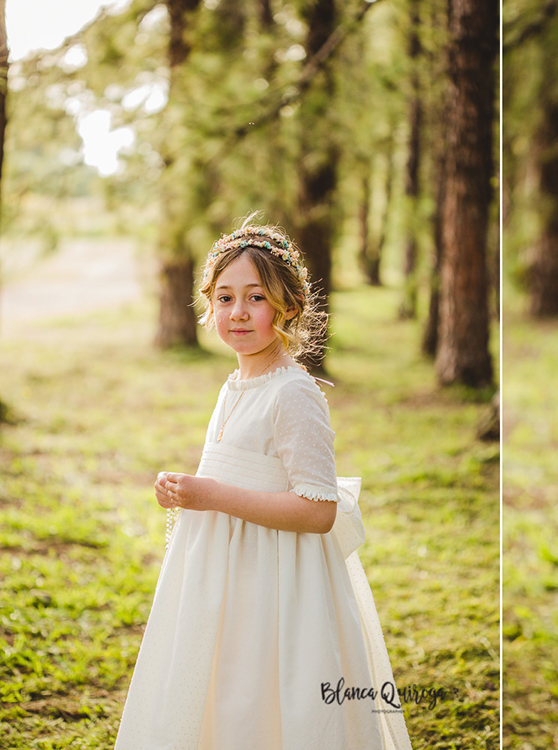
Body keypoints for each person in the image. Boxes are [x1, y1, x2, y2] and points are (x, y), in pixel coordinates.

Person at [115, 218, 411, 750]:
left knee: (265, 698)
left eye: (256, 297)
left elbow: (318, 510)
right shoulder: (235, 384)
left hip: (278, 585)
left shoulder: (294, 394)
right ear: (209, 308)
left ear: (287, 306)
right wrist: (183, 491)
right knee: (221, 691)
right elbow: (236, 468)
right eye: (225, 298)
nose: (238, 312)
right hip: (223, 580)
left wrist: (208, 494)